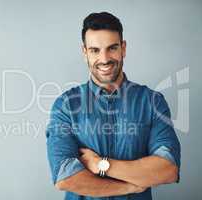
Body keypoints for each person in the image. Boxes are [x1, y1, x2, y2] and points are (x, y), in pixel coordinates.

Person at [46, 12, 181, 200]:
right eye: (95, 50)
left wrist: (101, 164)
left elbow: (167, 169)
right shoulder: (66, 106)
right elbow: (65, 177)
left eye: (112, 48)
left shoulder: (152, 102)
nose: (104, 59)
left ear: (123, 48)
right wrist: (129, 188)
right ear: (84, 52)